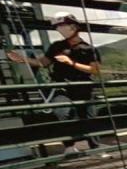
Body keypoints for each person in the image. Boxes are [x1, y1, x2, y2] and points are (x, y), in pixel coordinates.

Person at [7, 12, 102, 156]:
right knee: (62, 112)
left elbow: (94, 70)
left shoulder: (89, 49)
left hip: (83, 86)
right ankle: (70, 147)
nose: (60, 29)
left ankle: (95, 145)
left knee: (88, 115)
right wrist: (23, 59)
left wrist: (71, 63)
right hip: (61, 85)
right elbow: (43, 63)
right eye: (58, 27)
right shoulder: (57, 46)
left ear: (73, 26)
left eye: (63, 25)